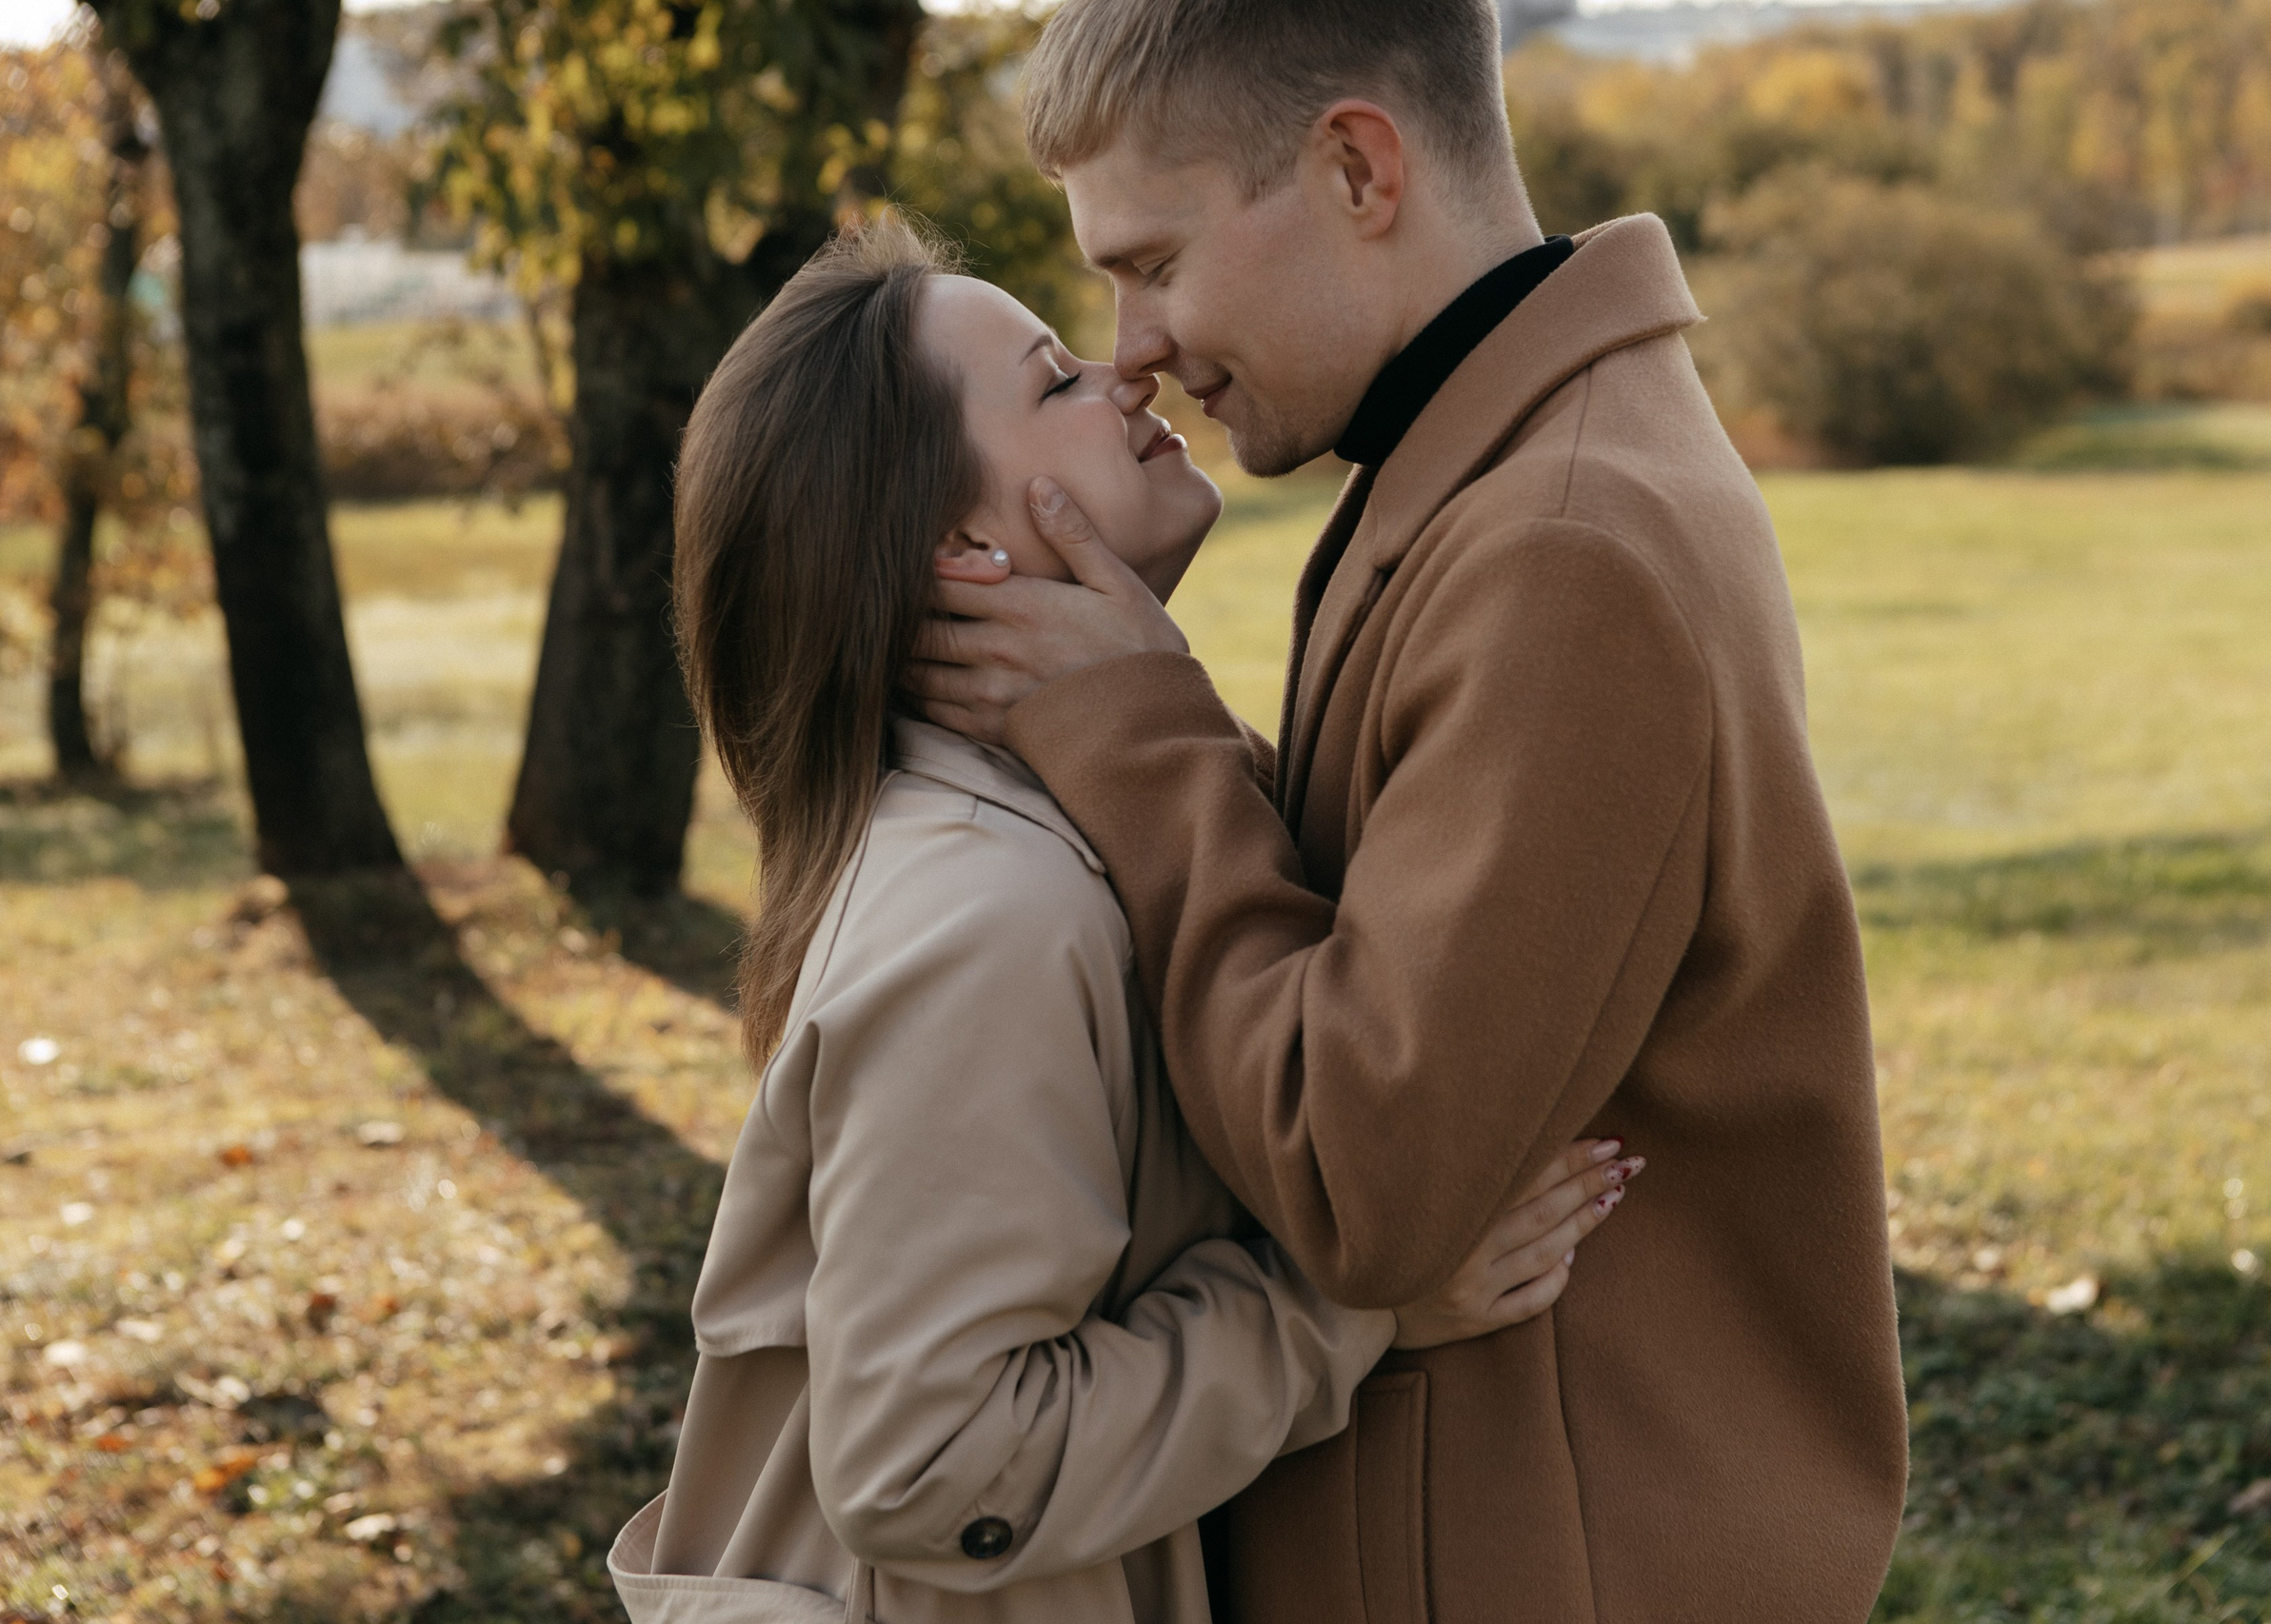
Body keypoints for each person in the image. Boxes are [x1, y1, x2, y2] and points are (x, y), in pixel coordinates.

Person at [906, 1, 1912, 1620]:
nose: (1131, 343)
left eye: (1151, 261)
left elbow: (1361, 1180)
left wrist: (1140, 732)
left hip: (1547, 1554)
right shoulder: (1488, 465)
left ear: (1358, 167)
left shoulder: (1564, 545)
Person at [606, 219, 1641, 1624]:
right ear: (965, 546)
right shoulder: (992, 916)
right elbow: (925, 1460)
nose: (1128, 376)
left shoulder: (1044, 835)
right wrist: (1355, 1304)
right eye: (1053, 382)